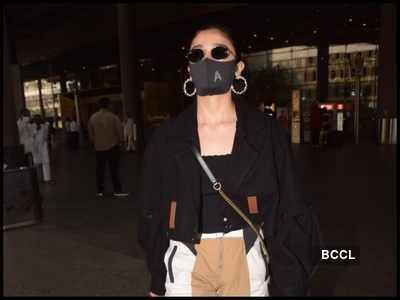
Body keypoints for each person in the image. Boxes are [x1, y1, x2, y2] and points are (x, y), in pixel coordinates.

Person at [137, 24, 321, 297]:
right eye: (197, 55)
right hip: (186, 258)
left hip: (245, 256)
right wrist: (157, 279)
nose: (207, 60)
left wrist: (292, 283)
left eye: (219, 52)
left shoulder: (266, 133)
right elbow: (152, 211)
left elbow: (288, 211)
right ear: (188, 70)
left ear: (238, 68)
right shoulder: (166, 137)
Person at [88, 97, 128, 197]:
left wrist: (95, 142)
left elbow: (91, 136)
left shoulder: (92, 118)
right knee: (114, 169)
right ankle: (117, 190)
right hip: (113, 147)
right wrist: (121, 143)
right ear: (109, 105)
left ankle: (100, 190)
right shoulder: (114, 117)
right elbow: (120, 134)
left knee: (100, 170)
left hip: (99, 148)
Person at [32, 114, 51, 182]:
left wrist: (44, 128)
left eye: (38, 119)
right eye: (35, 119)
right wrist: (36, 131)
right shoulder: (32, 126)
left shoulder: (44, 126)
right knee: (36, 163)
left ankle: (47, 178)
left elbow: (46, 136)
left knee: (45, 162)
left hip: (43, 146)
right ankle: (37, 178)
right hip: (35, 146)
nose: (37, 120)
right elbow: (31, 136)